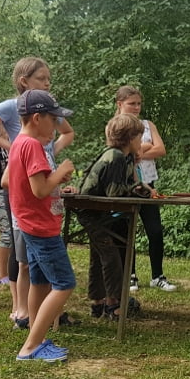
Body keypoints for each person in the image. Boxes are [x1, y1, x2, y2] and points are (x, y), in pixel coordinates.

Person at [0, 57, 74, 328]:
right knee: (25, 257)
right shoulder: (16, 114)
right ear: (23, 81)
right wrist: (9, 145)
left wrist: (52, 153)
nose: (48, 83)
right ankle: (22, 311)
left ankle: (42, 320)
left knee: (37, 264)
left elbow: (68, 133)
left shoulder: (45, 115)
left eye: (49, 78)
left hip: (42, 186)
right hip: (30, 196)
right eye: (41, 78)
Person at [5, 89, 76, 362]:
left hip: (29, 225)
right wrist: (60, 173)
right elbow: (39, 190)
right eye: (53, 119)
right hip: (41, 228)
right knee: (64, 284)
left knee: (40, 282)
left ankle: (36, 339)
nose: (56, 125)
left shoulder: (18, 143)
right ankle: (31, 347)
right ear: (37, 118)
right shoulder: (32, 145)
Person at [77, 114, 149, 320]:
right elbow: (114, 193)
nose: (141, 142)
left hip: (92, 212)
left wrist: (134, 168)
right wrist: (137, 190)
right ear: (130, 138)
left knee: (99, 256)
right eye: (139, 137)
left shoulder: (119, 155)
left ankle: (98, 302)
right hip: (92, 212)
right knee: (111, 257)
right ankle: (113, 304)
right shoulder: (115, 156)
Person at [114, 85, 176, 292]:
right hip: (126, 185)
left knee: (155, 230)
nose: (136, 107)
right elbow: (121, 153)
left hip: (149, 183)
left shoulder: (148, 125)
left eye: (139, 103)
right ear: (120, 104)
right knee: (127, 230)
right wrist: (144, 148)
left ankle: (157, 275)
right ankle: (130, 275)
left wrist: (140, 150)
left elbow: (161, 149)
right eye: (132, 103)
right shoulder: (116, 125)